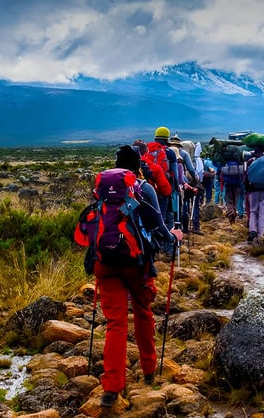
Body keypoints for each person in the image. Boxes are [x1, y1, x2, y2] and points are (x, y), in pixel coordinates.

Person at [94, 144, 183, 407]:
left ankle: (111, 388)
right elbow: (158, 226)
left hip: (106, 263)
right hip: (137, 264)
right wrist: (173, 237)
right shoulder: (144, 188)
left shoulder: (103, 189)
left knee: (115, 323)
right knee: (143, 313)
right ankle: (148, 370)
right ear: (138, 166)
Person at [244, 148, 264, 243]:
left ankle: (252, 230)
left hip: (253, 190)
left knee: (253, 211)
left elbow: (246, 175)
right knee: (263, 212)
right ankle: (260, 234)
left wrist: (246, 188)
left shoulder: (250, 162)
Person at [219, 157, 243, 225]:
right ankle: (234, 214)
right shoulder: (239, 164)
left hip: (228, 185)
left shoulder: (226, 164)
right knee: (235, 201)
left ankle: (230, 213)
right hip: (237, 186)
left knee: (229, 200)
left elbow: (220, 174)